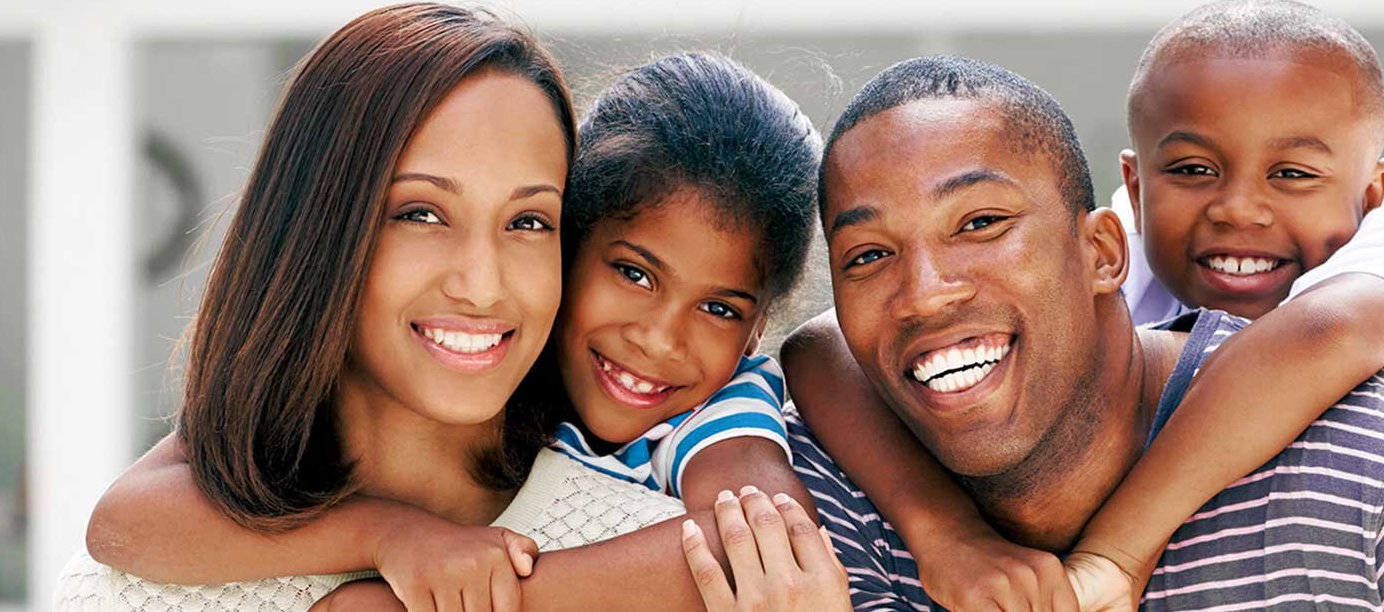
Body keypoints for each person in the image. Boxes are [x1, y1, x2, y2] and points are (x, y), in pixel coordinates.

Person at [781, 55, 1384, 611]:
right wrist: (943, 537)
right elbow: (817, 348)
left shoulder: (1380, 461)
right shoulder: (823, 504)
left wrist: (1114, 557)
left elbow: (1320, 337)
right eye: (867, 256)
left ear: (1101, 250)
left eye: (980, 224)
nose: (925, 294)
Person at [63, 40, 845, 611]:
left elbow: (753, 538)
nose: (483, 282)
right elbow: (120, 523)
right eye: (421, 212)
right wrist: (386, 536)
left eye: (528, 222)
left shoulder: (703, 441)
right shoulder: (185, 534)